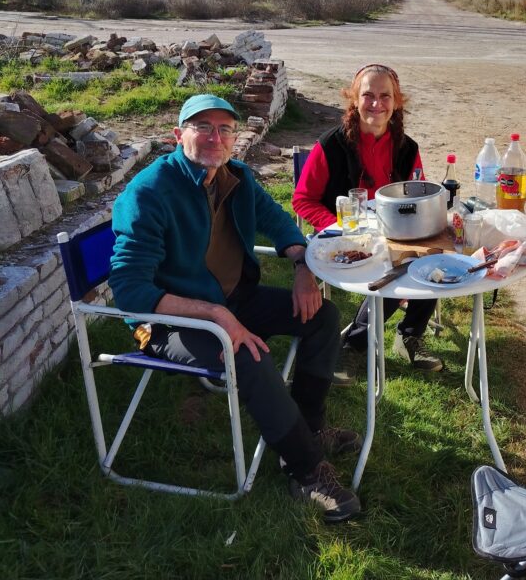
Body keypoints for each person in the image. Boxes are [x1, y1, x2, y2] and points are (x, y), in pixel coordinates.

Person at [109, 94, 361, 523]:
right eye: (203, 127)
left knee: (323, 317)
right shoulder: (149, 192)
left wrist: (302, 265)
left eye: (224, 129)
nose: (215, 137)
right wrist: (215, 315)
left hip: (231, 301)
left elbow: (277, 220)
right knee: (246, 353)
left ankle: (310, 428)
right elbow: (130, 291)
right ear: (178, 135)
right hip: (166, 323)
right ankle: (306, 470)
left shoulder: (235, 177)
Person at [293, 64, 442, 373]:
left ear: (397, 102)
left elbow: (417, 197)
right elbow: (303, 199)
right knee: (394, 267)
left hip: (392, 233)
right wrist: (340, 227)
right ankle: (355, 344)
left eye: (385, 96)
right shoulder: (331, 145)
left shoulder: (407, 147)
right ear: (354, 99)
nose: (376, 104)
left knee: (431, 253)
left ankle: (409, 335)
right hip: (344, 238)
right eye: (368, 95)